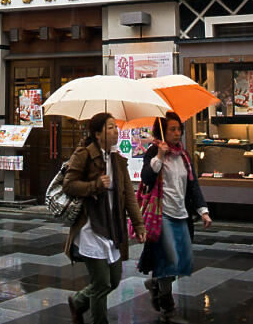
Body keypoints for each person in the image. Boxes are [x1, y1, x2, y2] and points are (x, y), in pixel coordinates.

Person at [63, 112, 145, 324]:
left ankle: (79, 301)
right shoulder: (84, 155)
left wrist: (138, 224)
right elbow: (69, 184)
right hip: (92, 227)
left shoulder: (117, 160)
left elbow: (128, 195)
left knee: (114, 279)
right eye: (110, 127)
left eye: (115, 127)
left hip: (113, 226)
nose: (115, 131)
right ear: (97, 134)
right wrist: (95, 185)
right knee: (101, 283)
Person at [138, 111, 211, 323]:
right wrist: (159, 156)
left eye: (179, 129)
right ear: (162, 130)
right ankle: (168, 310)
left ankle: (155, 284)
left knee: (179, 262)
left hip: (182, 214)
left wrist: (203, 211)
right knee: (169, 261)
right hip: (162, 215)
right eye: (172, 129)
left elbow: (192, 185)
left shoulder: (184, 156)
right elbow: (147, 178)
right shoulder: (153, 152)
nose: (177, 133)